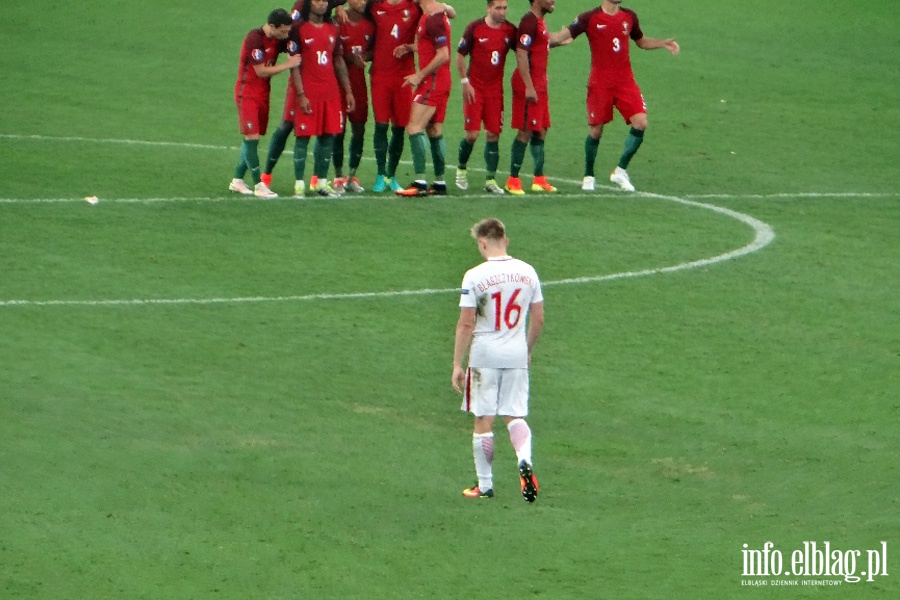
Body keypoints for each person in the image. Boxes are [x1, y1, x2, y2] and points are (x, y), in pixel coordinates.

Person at [452, 218, 544, 502]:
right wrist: (526, 350)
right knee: (514, 414)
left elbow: (466, 323)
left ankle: (485, 485)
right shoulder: (528, 272)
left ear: (482, 243)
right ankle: (523, 460)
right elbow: (538, 319)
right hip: (515, 351)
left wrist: (457, 363)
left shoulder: (474, 276)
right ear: (506, 239)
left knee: (483, 418)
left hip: (485, 354)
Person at [555, 0, 679, 192]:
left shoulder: (629, 16)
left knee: (641, 122)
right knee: (596, 131)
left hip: (625, 82)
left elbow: (641, 41)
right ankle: (588, 175)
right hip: (600, 83)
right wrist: (539, 39)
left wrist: (662, 43)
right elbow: (561, 36)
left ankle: (620, 171)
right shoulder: (588, 17)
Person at [260, 0, 348, 192]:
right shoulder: (299, 10)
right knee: (286, 126)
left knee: (325, 129)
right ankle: (265, 176)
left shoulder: (328, 18)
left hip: (322, 83)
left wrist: (339, 7)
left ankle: (317, 180)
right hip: (301, 83)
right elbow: (286, 39)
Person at [230, 8, 302, 199]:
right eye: (283, 31)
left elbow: (292, 45)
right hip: (247, 93)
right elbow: (261, 71)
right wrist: (288, 64)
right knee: (251, 137)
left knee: (253, 138)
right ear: (272, 26)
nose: (286, 35)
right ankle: (259, 185)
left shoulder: (277, 39)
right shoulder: (254, 39)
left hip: (263, 94)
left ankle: (237, 180)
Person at [289, 0, 356, 197]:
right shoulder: (298, 30)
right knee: (303, 137)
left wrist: (348, 91)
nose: (322, 4)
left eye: (325, 1)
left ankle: (321, 182)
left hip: (330, 92)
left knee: (329, 135)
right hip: (309, 92)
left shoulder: (332, 30)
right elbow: (294, 65)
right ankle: (299, 184)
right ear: (309, 4)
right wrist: (300, 95)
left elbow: (338, 61)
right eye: (318, 0)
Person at [504, 0, 568, 195]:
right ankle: (512, 180)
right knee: (525, 130)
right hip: (528, 84)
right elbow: (521, 54)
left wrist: (564, 36)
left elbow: (542, 44)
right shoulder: (528, 22)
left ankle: (539, 179)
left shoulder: (539, 21)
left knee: (541, 129)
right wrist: (529, 86)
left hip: (540, 83)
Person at [454, 0, 517, 195]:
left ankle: (490, 179)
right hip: (475, 89)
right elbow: (460, 55)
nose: (502, 12)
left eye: (504, 8)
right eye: (498, 8)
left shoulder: (510, 30)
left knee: (493, 134)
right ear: (488, 8)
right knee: (472, 134)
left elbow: (523, 52)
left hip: (495, 90)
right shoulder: (475, 28)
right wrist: (465, 82)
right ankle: (461, 170)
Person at [395, 0, 452, 197]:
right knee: (434, 129)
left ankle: (419, 182)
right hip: (441, 80)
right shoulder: (431, 13)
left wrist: (419, 75)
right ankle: (439, 183)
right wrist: (411, 48)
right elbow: (431, 46)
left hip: (433, 80)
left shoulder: (433, 17)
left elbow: (443, 54)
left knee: (414, 127)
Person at [331, 0, 375, 193]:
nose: (362, 2)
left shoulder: (371, 24)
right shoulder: (336, 21)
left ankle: (352, 176)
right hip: (337, 86)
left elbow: (375, 49)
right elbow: (331, 52)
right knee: (338, 131)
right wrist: (350, 59)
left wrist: (364, 58)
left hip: (358, 85)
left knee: (359, 129)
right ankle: (338, 177)